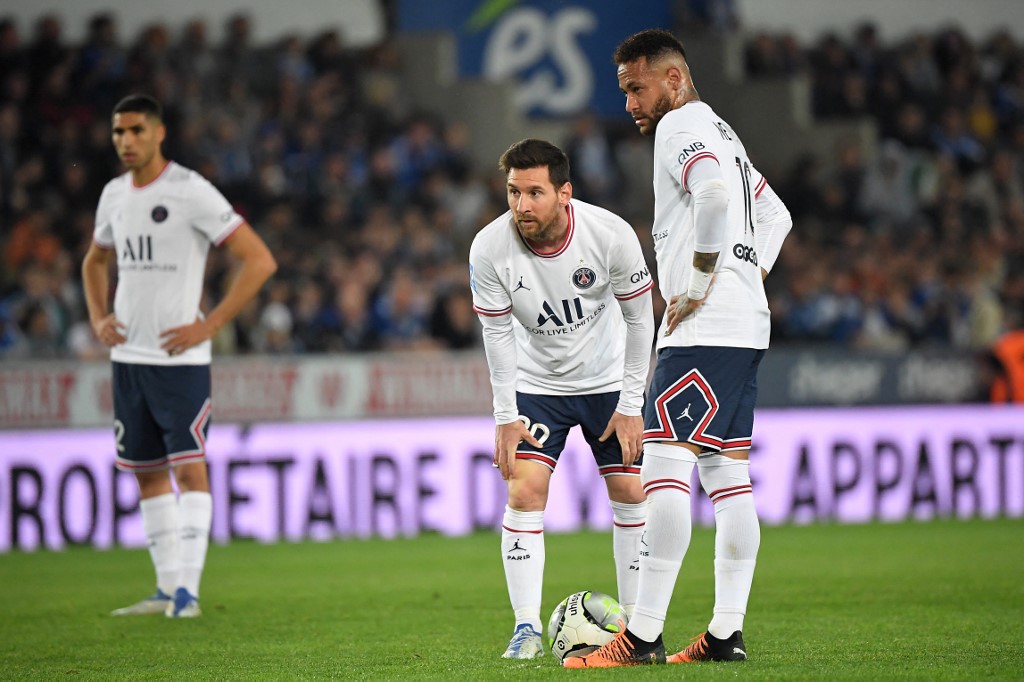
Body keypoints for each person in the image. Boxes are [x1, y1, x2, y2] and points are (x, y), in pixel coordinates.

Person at [566, 29, 792, 667]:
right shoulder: (725, 134)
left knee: (662, 467)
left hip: (703, 328)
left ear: (673, 78)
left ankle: (641, 636)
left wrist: (696, 281)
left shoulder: (681, 125)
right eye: (624, 92)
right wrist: (746, 276)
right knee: (727, 477)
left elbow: (712, 196)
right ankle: (725, 634)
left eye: (636, 88)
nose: (630, 104)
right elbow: (776, 217)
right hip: (745, 325)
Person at [81, 94, 277, 618]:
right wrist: (98, 317)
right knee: (146, 473)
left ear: (159, 133)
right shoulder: (113, 195)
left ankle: (188, 591)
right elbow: (94, 261)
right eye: (119, 132)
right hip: (128, 358)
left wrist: (209, 325)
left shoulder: (190, 190)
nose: (126, 141)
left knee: (189, 469)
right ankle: (166, 588)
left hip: (179, 361)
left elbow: (259, 260)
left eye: (136, 130)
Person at [469, 138, 655, 658]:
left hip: (607, 382)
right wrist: (505, 415)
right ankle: (526, 628)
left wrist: (631, 403)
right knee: (524, 493)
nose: (521, 205)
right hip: (538, 386)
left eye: (534, 192)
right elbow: (496, 333)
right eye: (513, 192)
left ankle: (636, 626)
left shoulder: (610, 235)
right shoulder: (489, 247)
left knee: (631, 491)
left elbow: (641, 320)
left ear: (564, 193)